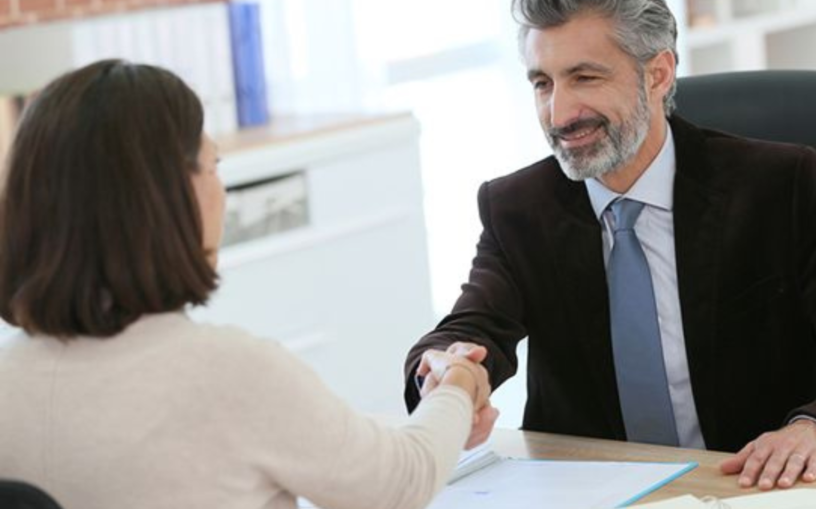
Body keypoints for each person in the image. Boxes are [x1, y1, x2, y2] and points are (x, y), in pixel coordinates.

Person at [405, 0, 816, 490]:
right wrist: (451, 370)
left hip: (750, 485)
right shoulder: (518, 206)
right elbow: (471, 330)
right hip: (594, 492)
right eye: (543, 83)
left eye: (585, 77)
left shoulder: (780, 186)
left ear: (658, 73)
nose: (559, 113)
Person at [0, 59, 492, 509]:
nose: (222, 192)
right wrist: (457, 385)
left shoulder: (9, 379)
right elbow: (399, 481)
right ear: (168, 196)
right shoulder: (227, 372)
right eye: (213, 166)